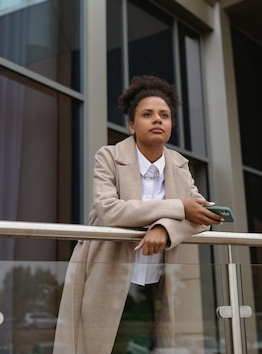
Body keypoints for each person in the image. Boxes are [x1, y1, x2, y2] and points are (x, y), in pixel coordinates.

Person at [53, 75, 224, 354]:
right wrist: (178, 207)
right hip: (108, 276)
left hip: (156, 286)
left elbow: (202, 216)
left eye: (164, 115)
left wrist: (164, 229)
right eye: (147, 114)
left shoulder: (180, 165)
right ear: (132, 125)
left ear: (171, 125)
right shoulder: (108, 157)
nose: (157, 120)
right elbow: (110, 210)